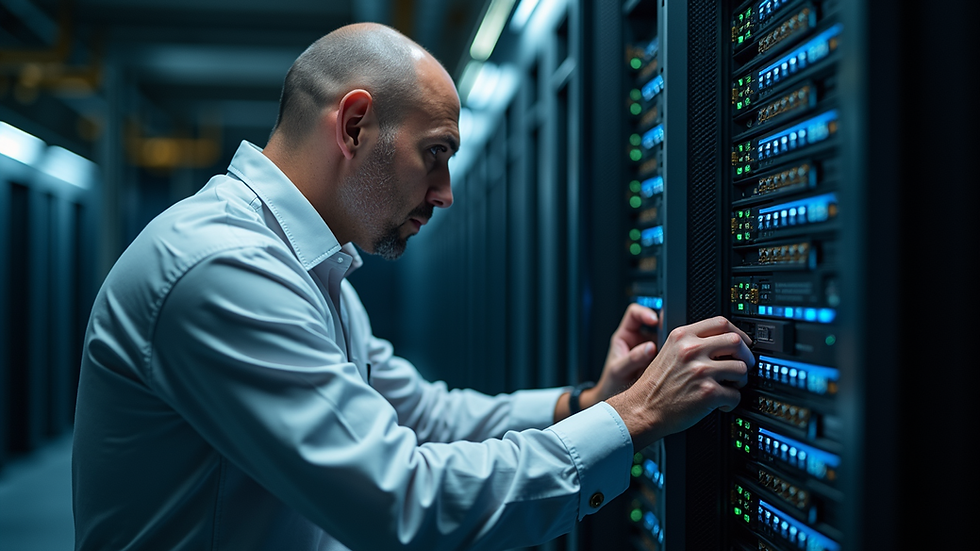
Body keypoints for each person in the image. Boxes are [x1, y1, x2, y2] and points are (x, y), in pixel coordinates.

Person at [71, 23, 753, 551]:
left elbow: (422, 416)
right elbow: (407, 502)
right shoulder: (223, 269)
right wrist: (636, 418)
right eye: (436, 154)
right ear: (354, 124)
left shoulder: (304, 266)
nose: (446, 193)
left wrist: (590, 402)